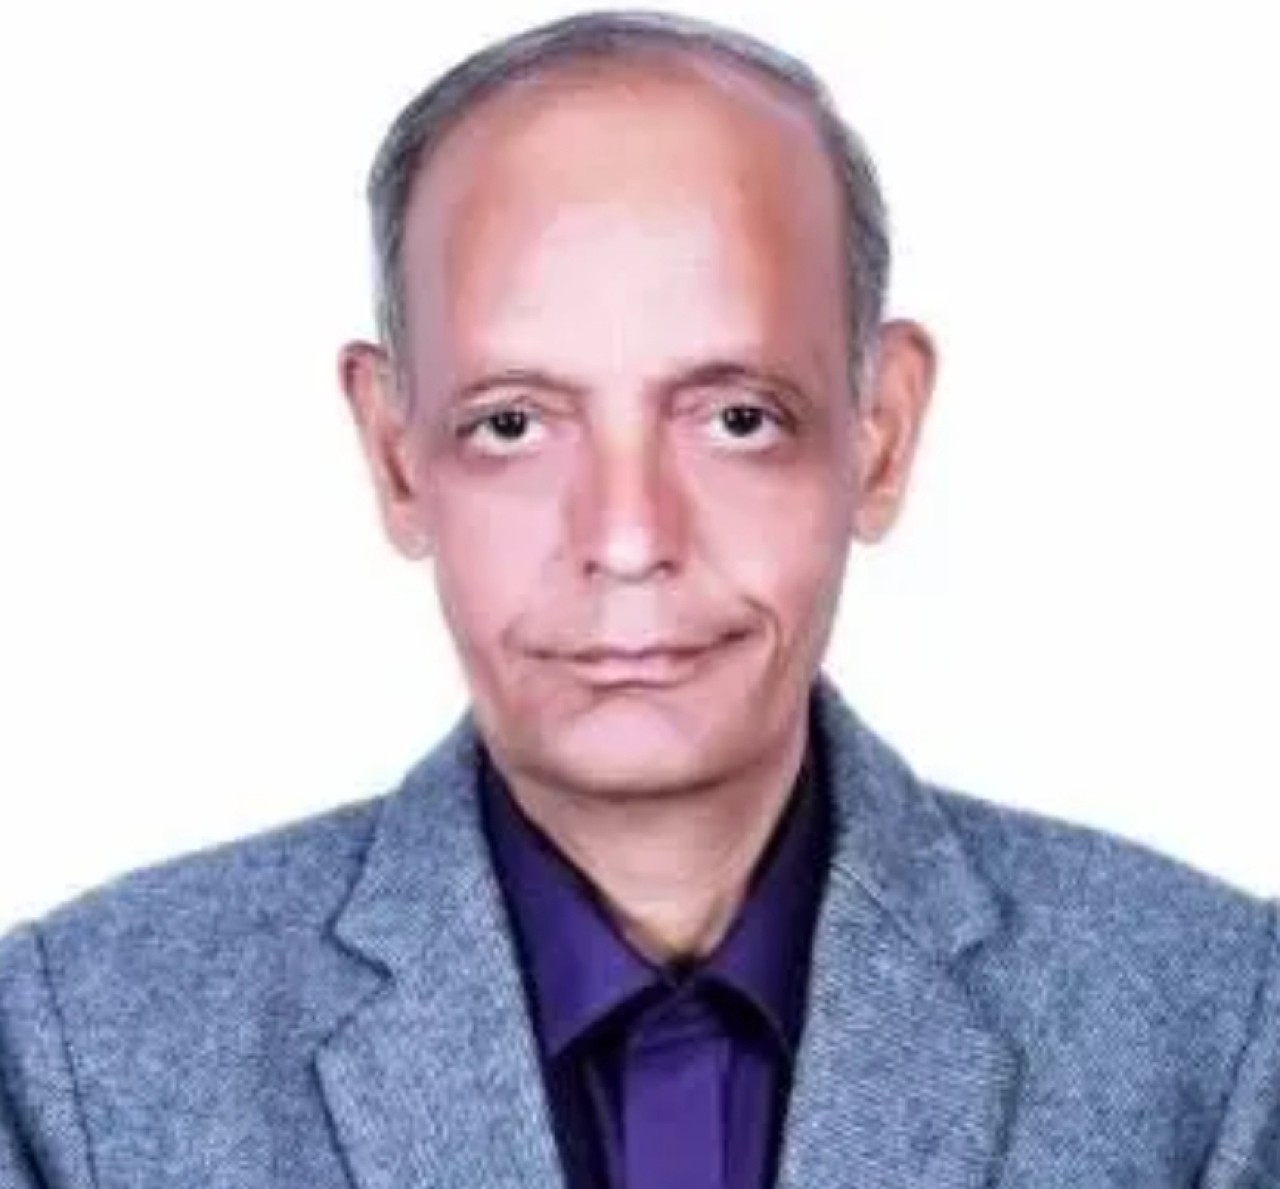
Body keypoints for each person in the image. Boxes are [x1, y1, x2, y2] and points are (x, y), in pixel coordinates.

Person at [1, 9, 1277, 1188]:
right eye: (512, 423)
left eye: (736, 417)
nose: (625, 538)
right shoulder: (77, 1060)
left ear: (879, 435)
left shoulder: (1217, 1031)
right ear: (394, 454)